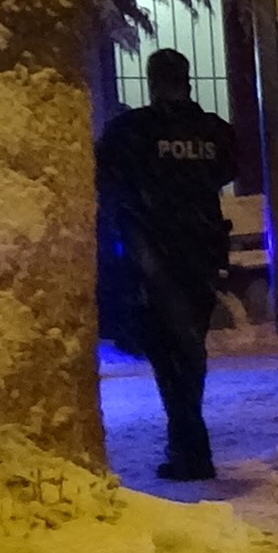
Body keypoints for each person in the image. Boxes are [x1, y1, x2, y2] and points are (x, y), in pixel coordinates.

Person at [94, 48, 239, 482]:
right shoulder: (214, 131)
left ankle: (190, 446)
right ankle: (189, 440)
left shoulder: (131, 130)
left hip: (151, 257)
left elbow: (106, 180)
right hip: (201, 253)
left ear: (152, 80)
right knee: (190, 348)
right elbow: (224, 170)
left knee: (168, 351)